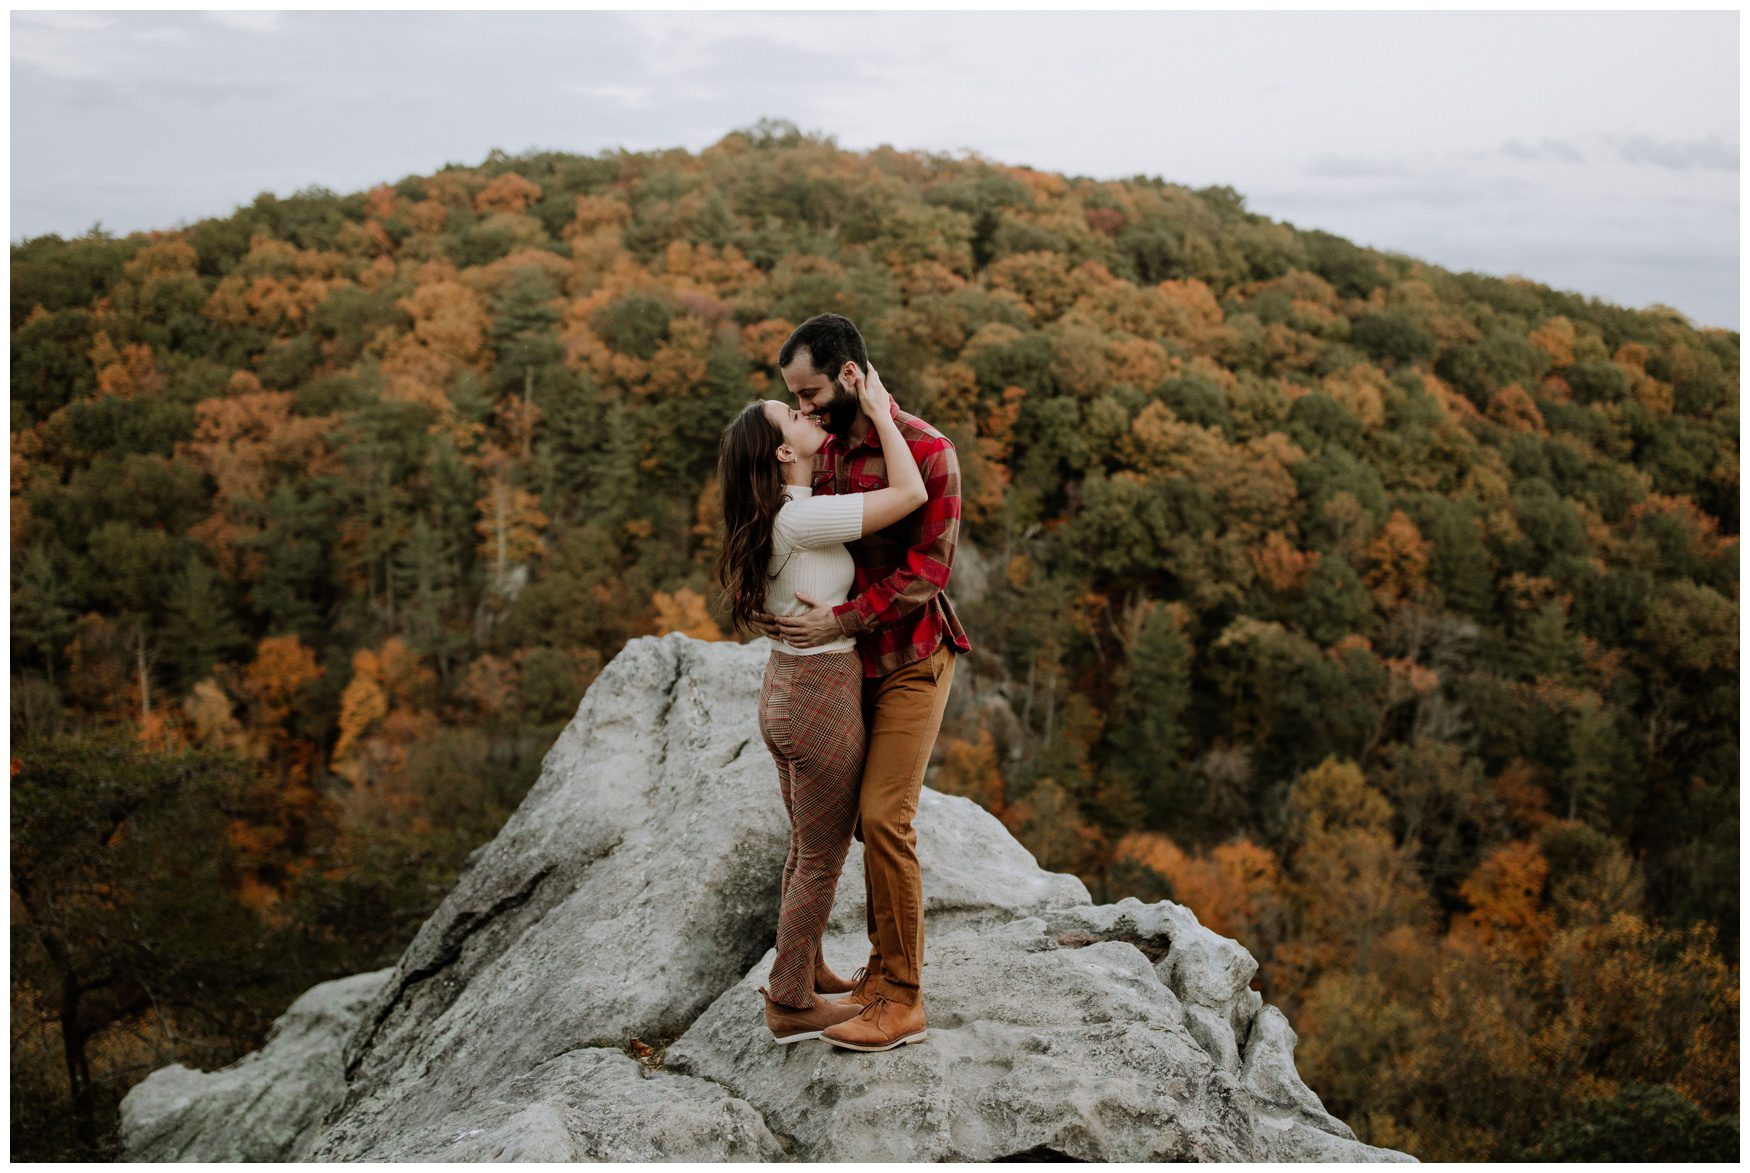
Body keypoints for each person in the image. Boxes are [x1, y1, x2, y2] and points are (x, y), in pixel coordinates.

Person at [762, 312, 972, 1053]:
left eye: (812, 392)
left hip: (911, 657)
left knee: (885, 817)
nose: (806, 407)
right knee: (839, 823)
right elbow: (789, 532)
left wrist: (841, 619)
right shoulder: (819, 454)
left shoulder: (929, 450)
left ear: (850, 374)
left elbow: (930, 571)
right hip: (844, 670)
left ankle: (902, 997)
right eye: (796, 396)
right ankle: (867, 973)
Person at [715, 360, 928, 1045]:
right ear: (784, 454)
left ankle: (805, 967)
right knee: (821, 858)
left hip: (784, 690)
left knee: (804, 846)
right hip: (819, 696)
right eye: (791, 415)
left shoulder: (776, 518)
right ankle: (790, 1001)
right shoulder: (801, 517)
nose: (804, 411)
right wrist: (884, 412)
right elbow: (911, 491)